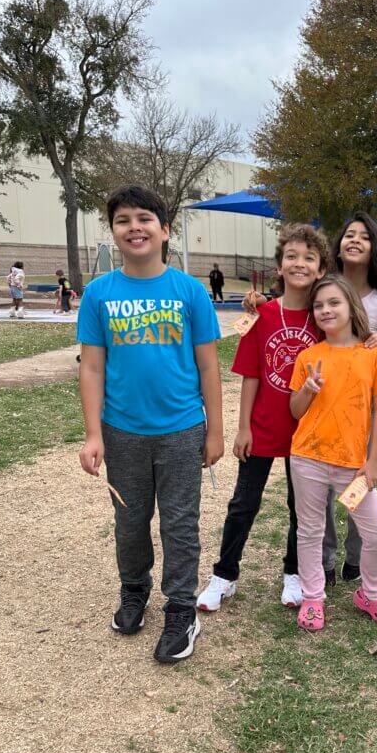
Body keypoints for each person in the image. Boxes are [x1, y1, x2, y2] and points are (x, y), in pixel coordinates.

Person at [77, 184, 223, 665]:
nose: (133, 227)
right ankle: (134, 590)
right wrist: (93, 434)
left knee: (180, 523)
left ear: (164, 230)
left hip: (182, 429)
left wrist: (216, 431)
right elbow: (92, 368)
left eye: (144, 218)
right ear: (113, 231)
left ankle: (181, 608)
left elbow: (208, 366)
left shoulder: (189, 291)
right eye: (122, 220)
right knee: (130, 520)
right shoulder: (99, 294)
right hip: (122, 432)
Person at [197, 224, 330, 614]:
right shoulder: (262, 315)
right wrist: (243, 428)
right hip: (264, 427)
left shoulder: (326, 319)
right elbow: (252, 374)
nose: (300, 263)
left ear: (321, 269)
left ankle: (294, 572)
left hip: (307, 431)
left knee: (301, 507)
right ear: (279, 266)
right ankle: (224, 575)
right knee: (243, 503)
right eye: (292, 256)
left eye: (309, 257)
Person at [288, 275, 377, 632]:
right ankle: (312, 598)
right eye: (318, 305)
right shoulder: (308, 357)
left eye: (333, 302)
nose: (325, 310)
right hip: (308, 458)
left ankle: (371, 595)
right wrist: (308, 389)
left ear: (351, 306)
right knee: (310, 531)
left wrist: (375, 460)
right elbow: (295, 411)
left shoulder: (376, 356)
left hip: (354, 465)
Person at [323, 212, 377, 584]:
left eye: (364, 236)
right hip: (324, 410)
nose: (355, 240)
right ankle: (324, 557)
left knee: (360, 479)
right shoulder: (321, 291)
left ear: (375, 249)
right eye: (349, 234)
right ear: (339, 245)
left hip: (364, 412)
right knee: (322, 488)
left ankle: (355, 557)